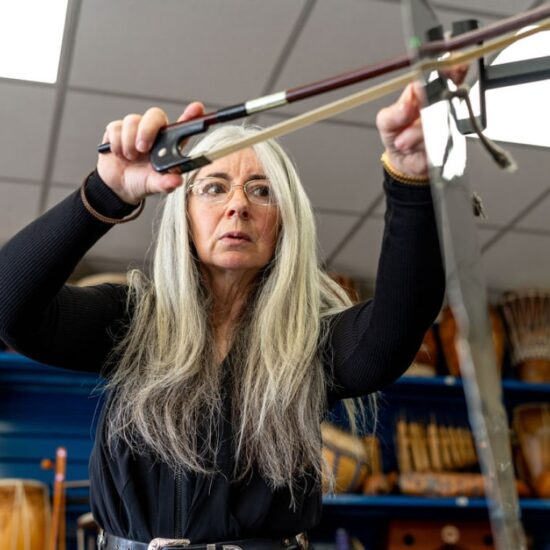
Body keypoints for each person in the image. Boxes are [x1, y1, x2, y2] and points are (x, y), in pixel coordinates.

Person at [0, 82, 444, 550]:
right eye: (213, 188)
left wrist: (410, 180)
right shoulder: (130, 321)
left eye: (262, 191)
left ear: (285, 225)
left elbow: (395, 330)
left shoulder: (313, 342)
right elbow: (9, 307)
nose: (238, 206)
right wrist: (106, 192)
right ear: (184, 215)